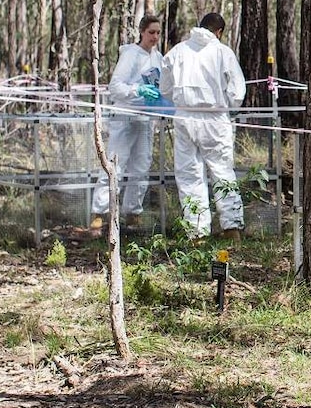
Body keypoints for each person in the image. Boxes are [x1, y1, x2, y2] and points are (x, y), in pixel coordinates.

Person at [160, 12, 246, 242]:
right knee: (222, 171)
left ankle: (196, 232)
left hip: (185, 118)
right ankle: (232, 229)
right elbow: (238, 92)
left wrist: (182, 102)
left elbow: (165, 88)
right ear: (219, 32)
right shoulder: (222, 52)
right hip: (215, 118)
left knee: (189, 175)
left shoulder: (177, 52)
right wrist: (225, 106)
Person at [90, 14, 164, 233]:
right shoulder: (131, 55)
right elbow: (116, 87)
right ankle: (99, 213)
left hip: (145, 119)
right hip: (124, 118)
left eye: (158, 33)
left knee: (141, 166)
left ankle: (133, 213)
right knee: (115, 164)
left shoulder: (158, 57)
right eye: (151, 32)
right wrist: (136, 90)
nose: (155, 37)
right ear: (141, 32)